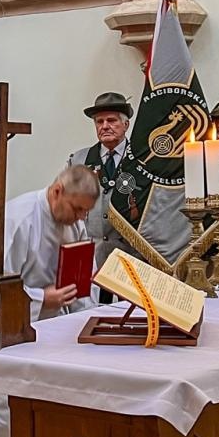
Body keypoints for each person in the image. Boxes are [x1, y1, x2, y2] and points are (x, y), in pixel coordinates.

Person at [0, 165, 101, 437]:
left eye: (86, 212)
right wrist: (41, 298)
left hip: (54, 328)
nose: (80, 219)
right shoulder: (17, 219)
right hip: (11, 327)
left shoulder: (74, 224)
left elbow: (84, 277)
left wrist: (90, 317)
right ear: (57, 191)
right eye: (77, 209)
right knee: (4, 413)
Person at [68, 92, 132, 300]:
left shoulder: (140, 161)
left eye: (112, 120)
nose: (105, 126)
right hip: (91, 257)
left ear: (126, 124)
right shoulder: (78, 160)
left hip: (130, 259)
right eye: (99, 121)